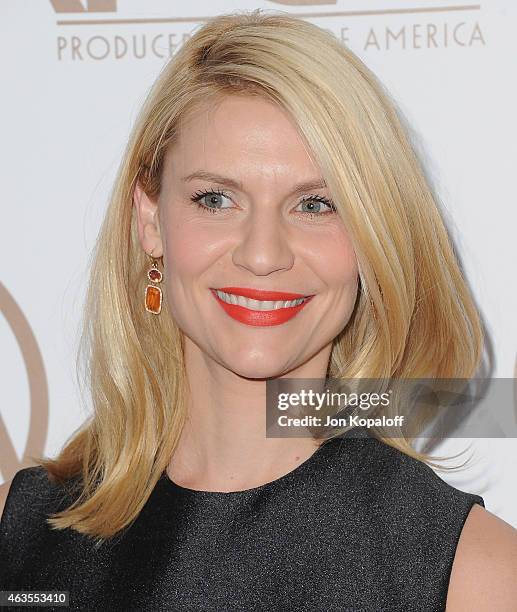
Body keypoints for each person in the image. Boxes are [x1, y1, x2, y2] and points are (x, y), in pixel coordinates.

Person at [1, 9, 516, 611]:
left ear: (372, 238)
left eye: (316, 204)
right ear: (150, 221)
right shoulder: (23, 535)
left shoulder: (474, 575)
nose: (264, 254)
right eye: (216, 199)